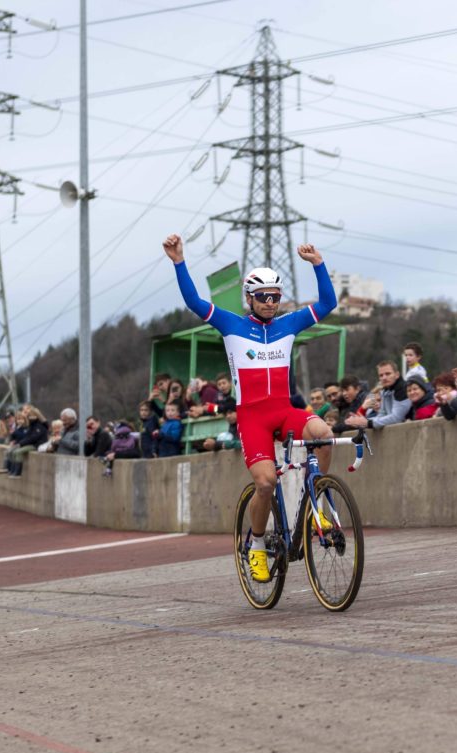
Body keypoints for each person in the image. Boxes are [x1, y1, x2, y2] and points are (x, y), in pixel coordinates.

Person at [164, 232, 338, 584]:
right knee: (266, 482)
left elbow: (328, 303)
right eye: (263, 297)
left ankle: (317, 504)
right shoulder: (232, 324)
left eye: (275, 296)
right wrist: (179, 262)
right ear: (249, 297)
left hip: (284, 409)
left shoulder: (289, 323)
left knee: (325, 434)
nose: (271, 302)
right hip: (252, 417)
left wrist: (319, 264)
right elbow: (195, 302)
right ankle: (257, 543)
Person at [346, 361, 411, 430]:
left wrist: (368, 423)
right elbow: (382, 414)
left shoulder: (402, 388)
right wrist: (359, 422)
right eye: (381, 375)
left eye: (388, 374)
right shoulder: (385, 390)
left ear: (397, 374)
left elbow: (397, 418)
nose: (384, 378)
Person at [0, 405, 48, 478]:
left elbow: (33, 438)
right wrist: (18, 443)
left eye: (32, 416)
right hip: (30, 443)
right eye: (29, 416)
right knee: (11, 450)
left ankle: (17, 472)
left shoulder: (39, 426)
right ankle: (9, 469)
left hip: (36, 445)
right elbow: (27, 436)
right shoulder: (32, 425)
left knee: (18, 452)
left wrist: (20, 444)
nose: (30, 417)